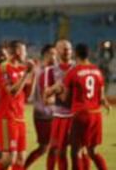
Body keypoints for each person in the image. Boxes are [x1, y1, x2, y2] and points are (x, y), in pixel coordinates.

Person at [61, 43, 110, 170]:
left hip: (81, 114)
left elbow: (65, 99)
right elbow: (101, 97)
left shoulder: (73, 72)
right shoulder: (97, 71)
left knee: (75, 151)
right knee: (92, 151)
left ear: (76, 54)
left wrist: (56, 92)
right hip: (96, 114)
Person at [0, 40, 36, 170]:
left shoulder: (22, 68)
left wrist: (32, 74)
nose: (26, 54)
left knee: (20, 159)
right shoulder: (4, 67)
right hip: (7, 118)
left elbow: (28, 95)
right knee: (8, 159)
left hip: (20, 118)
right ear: (18, 51)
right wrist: (26, 75)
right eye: (24, 51)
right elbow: (12, 91)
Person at [24, 44, 57, 169]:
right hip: (43, 114)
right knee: (45, 147)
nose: (55, 56)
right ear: (46, 55)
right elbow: (44, 97)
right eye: (52, 54)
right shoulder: (40, 71)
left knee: (53, 147)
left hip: (50, 114)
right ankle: (23, 167)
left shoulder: (52, 70)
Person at [45, 39, 75, 170]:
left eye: (68, 48)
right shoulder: (50, 70)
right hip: (59, 115)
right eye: (63, 48)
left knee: (78, 151)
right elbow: (46, 95)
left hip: (75, 115)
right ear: (56, 51)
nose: (66, 51)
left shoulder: (77, 68)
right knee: (54, 149)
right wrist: (55, 89)